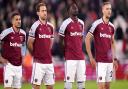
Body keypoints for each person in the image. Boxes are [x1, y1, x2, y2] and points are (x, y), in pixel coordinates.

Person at [85, 2, 118, 89]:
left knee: (107, 86)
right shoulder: (97, 24)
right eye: (107, 9)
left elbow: (112, 43)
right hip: (100, 62)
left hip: (109, 62)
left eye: (110, 9)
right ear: (103, 10)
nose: (109, 11)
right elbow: (87, 39)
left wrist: (114, 58)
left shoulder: (112, 27)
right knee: (101, 87)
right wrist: (91, 57)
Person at [27, 2, 55, 89]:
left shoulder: (51, 27)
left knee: (50, 87)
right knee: (36, 87)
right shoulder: (35, 26)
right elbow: (29, 43)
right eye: (42, 11)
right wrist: (35, 54)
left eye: (45, 10)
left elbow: (51, 42)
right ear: (38, 13)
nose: (45, 12)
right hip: (38, 62)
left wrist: (46, 52)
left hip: (49, 62)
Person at [59, 2, 86, 89]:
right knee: (68, 83)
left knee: (81, 83)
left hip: (81, 58)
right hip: (70, 58)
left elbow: (80, 40)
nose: (75, 8)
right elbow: (60, 41)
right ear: (69, 11)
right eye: (73, 7)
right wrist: (65, 52)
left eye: (76, 7)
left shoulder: (82, 23)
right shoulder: (65, 24)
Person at [0, 11, 26, 89]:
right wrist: (0, 58)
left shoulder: (23, 34)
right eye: (16, 19)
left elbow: (24, 46)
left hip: (19, 66)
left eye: (19, 19)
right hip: (9, 65)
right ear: (12, 21)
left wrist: (23, 56)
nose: (18, 21)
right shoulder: (6, 32)